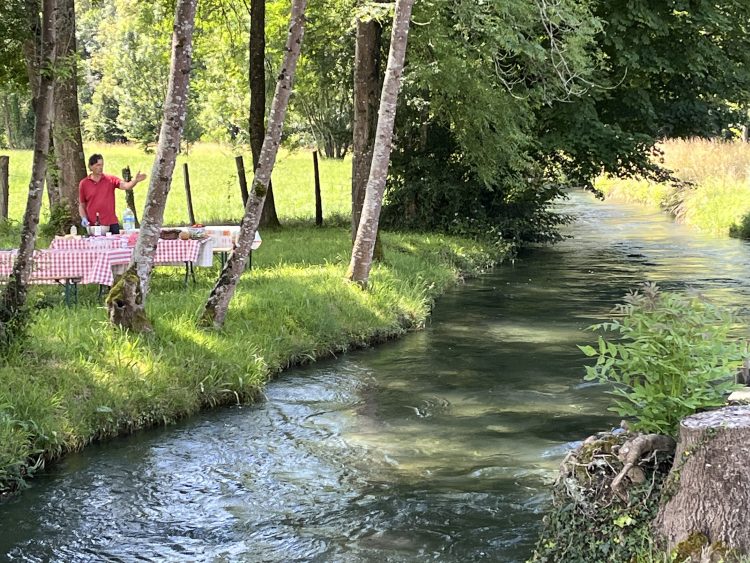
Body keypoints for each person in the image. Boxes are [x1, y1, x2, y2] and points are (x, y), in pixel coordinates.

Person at [78, 154, 146, 234]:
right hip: (93, 225)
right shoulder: (84, 183)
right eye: (98, 165)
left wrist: (135, 180)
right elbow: (82, 205)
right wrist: (84, 218)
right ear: (91, 166)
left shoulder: (110, 180)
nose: (101, 167)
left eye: (102, 165)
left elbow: (126, 186)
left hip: (111, 224)